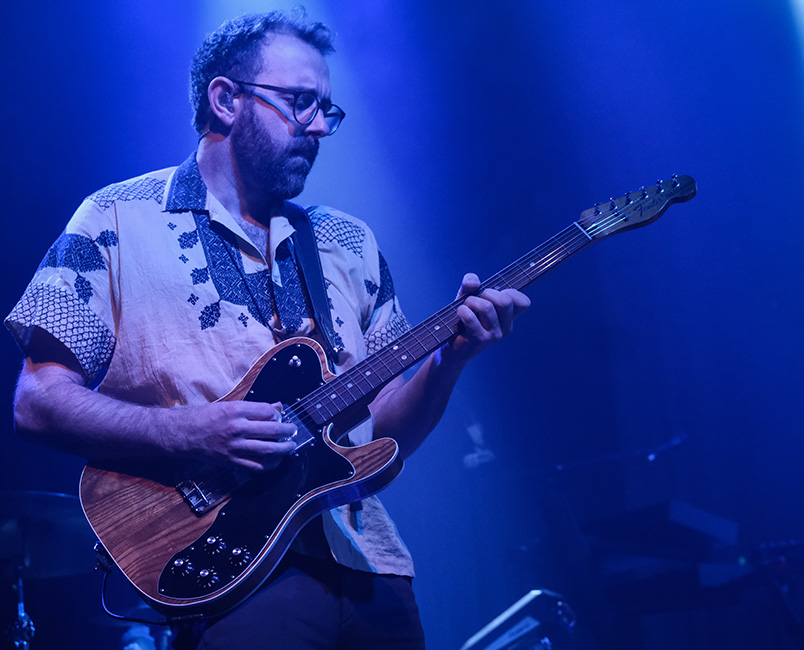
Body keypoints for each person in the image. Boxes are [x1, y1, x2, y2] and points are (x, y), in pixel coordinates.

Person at [5, 10, 529, 650]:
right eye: (300, 102)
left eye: (326, 110)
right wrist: (188, 431)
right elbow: (37, 403)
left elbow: (384, 437)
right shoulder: (115, 220)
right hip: (229, 574)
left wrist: (450, 362)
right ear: (226, 99)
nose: (319, 126)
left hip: (370, 566)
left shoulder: (348, 243)